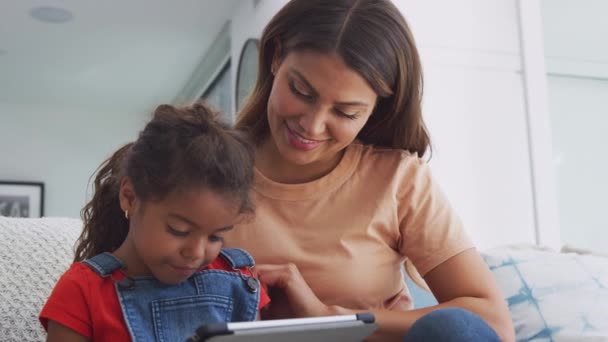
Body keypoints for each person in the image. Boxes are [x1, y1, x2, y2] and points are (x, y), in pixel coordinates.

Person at [227, 0, 515, 341]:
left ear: (377, 109)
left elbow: (492, 323)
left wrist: (335, 320)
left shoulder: (398, 179)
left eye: (346, 112)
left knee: (453, 329)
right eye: (301, 91)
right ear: (276, 56)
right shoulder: (201, 168)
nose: (313, 125)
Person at [39, 103, 270, 342]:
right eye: (179, 230)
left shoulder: (239, 279)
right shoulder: (82, 291)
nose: (196, 253)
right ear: (130, 197)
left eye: (215, 236)